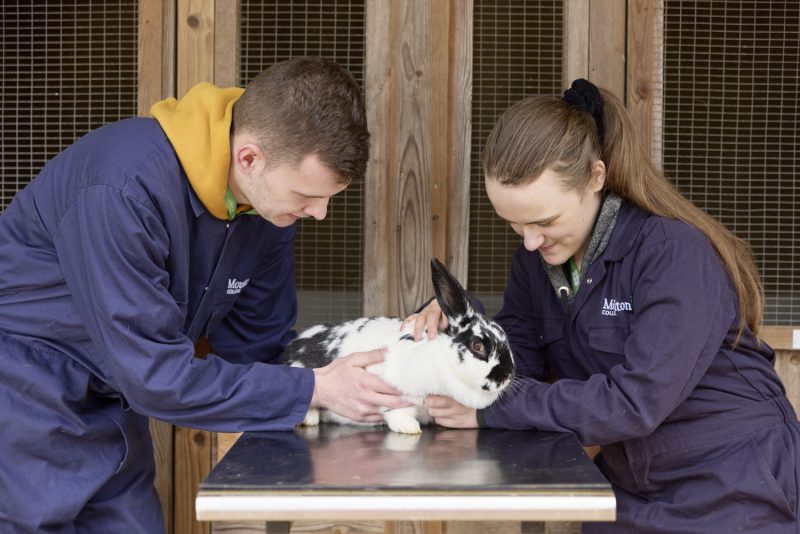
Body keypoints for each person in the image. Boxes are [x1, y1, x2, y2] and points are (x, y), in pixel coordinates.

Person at [0, 56, 409, 532]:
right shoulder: (122, 189)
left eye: (327, 199)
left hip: (114, 402)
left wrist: (356, 393)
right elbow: (155, 375)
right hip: (26, 393)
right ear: (249, 157)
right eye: (307, 195)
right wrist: (317, 388)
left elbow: (259, 348)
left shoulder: (269, 208)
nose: (319, 213)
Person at [411, 79, 800, 532]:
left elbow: (636, 401)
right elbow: (520, 371)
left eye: (544, 221)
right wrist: (462, 321)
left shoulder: (675, 254)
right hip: (629, 488)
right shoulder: (535, 259)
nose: (530, 241)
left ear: (596, 178)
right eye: (514, 225)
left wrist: (489, 410)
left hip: (732, 480)